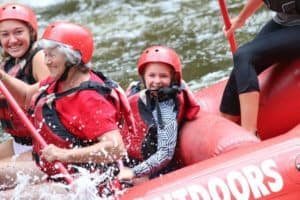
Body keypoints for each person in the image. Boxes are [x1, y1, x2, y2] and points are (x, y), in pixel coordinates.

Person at [0, 21, 135, 197]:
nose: (47, 62)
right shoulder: (58, 81)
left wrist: (65, 155)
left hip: (86, 183)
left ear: (72, 58)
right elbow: (26, 97)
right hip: (56, 171)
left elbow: (116, 148)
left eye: (51, 56)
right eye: (45, 55)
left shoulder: (89, 98)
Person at [118, 45, 200, 183]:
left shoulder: (167, 108)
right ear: (143, 77)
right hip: (130, 158)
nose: (156, 81)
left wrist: (133, 172)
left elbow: (165, 154)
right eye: (152, 75)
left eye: (163, 76)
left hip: (155, 171)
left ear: (173, 78)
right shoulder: (138, 93)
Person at [219, 0, 300, 135]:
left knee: (244, 55)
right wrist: (240, 19)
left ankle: (249, 135)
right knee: (242, 62)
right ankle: (225, 131)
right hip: (284, 21)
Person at [0, 2, 49, 189]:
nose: (12, 40)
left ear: (31, 32)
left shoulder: (40, 58)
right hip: (20, 142)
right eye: (5, 34)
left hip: (45, 145)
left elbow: (47, 96)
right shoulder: (7, 65)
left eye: (18, 32)